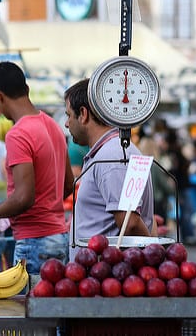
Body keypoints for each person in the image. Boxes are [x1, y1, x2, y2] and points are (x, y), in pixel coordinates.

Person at [0, 62, 74, 274]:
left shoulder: (18, 134)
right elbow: (68, 185)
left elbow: (23, 197)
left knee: (25, 307)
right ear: (26, 89)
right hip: (59, 239)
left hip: (34, 243)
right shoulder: (52, 125)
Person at [64, 79, 154, 261]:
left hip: (105, 279)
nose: (66, 124)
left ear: (83, 114)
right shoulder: (109, 151)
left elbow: (130, 223)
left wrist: (154, 258)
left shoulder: (112, 156)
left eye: (68, 115)